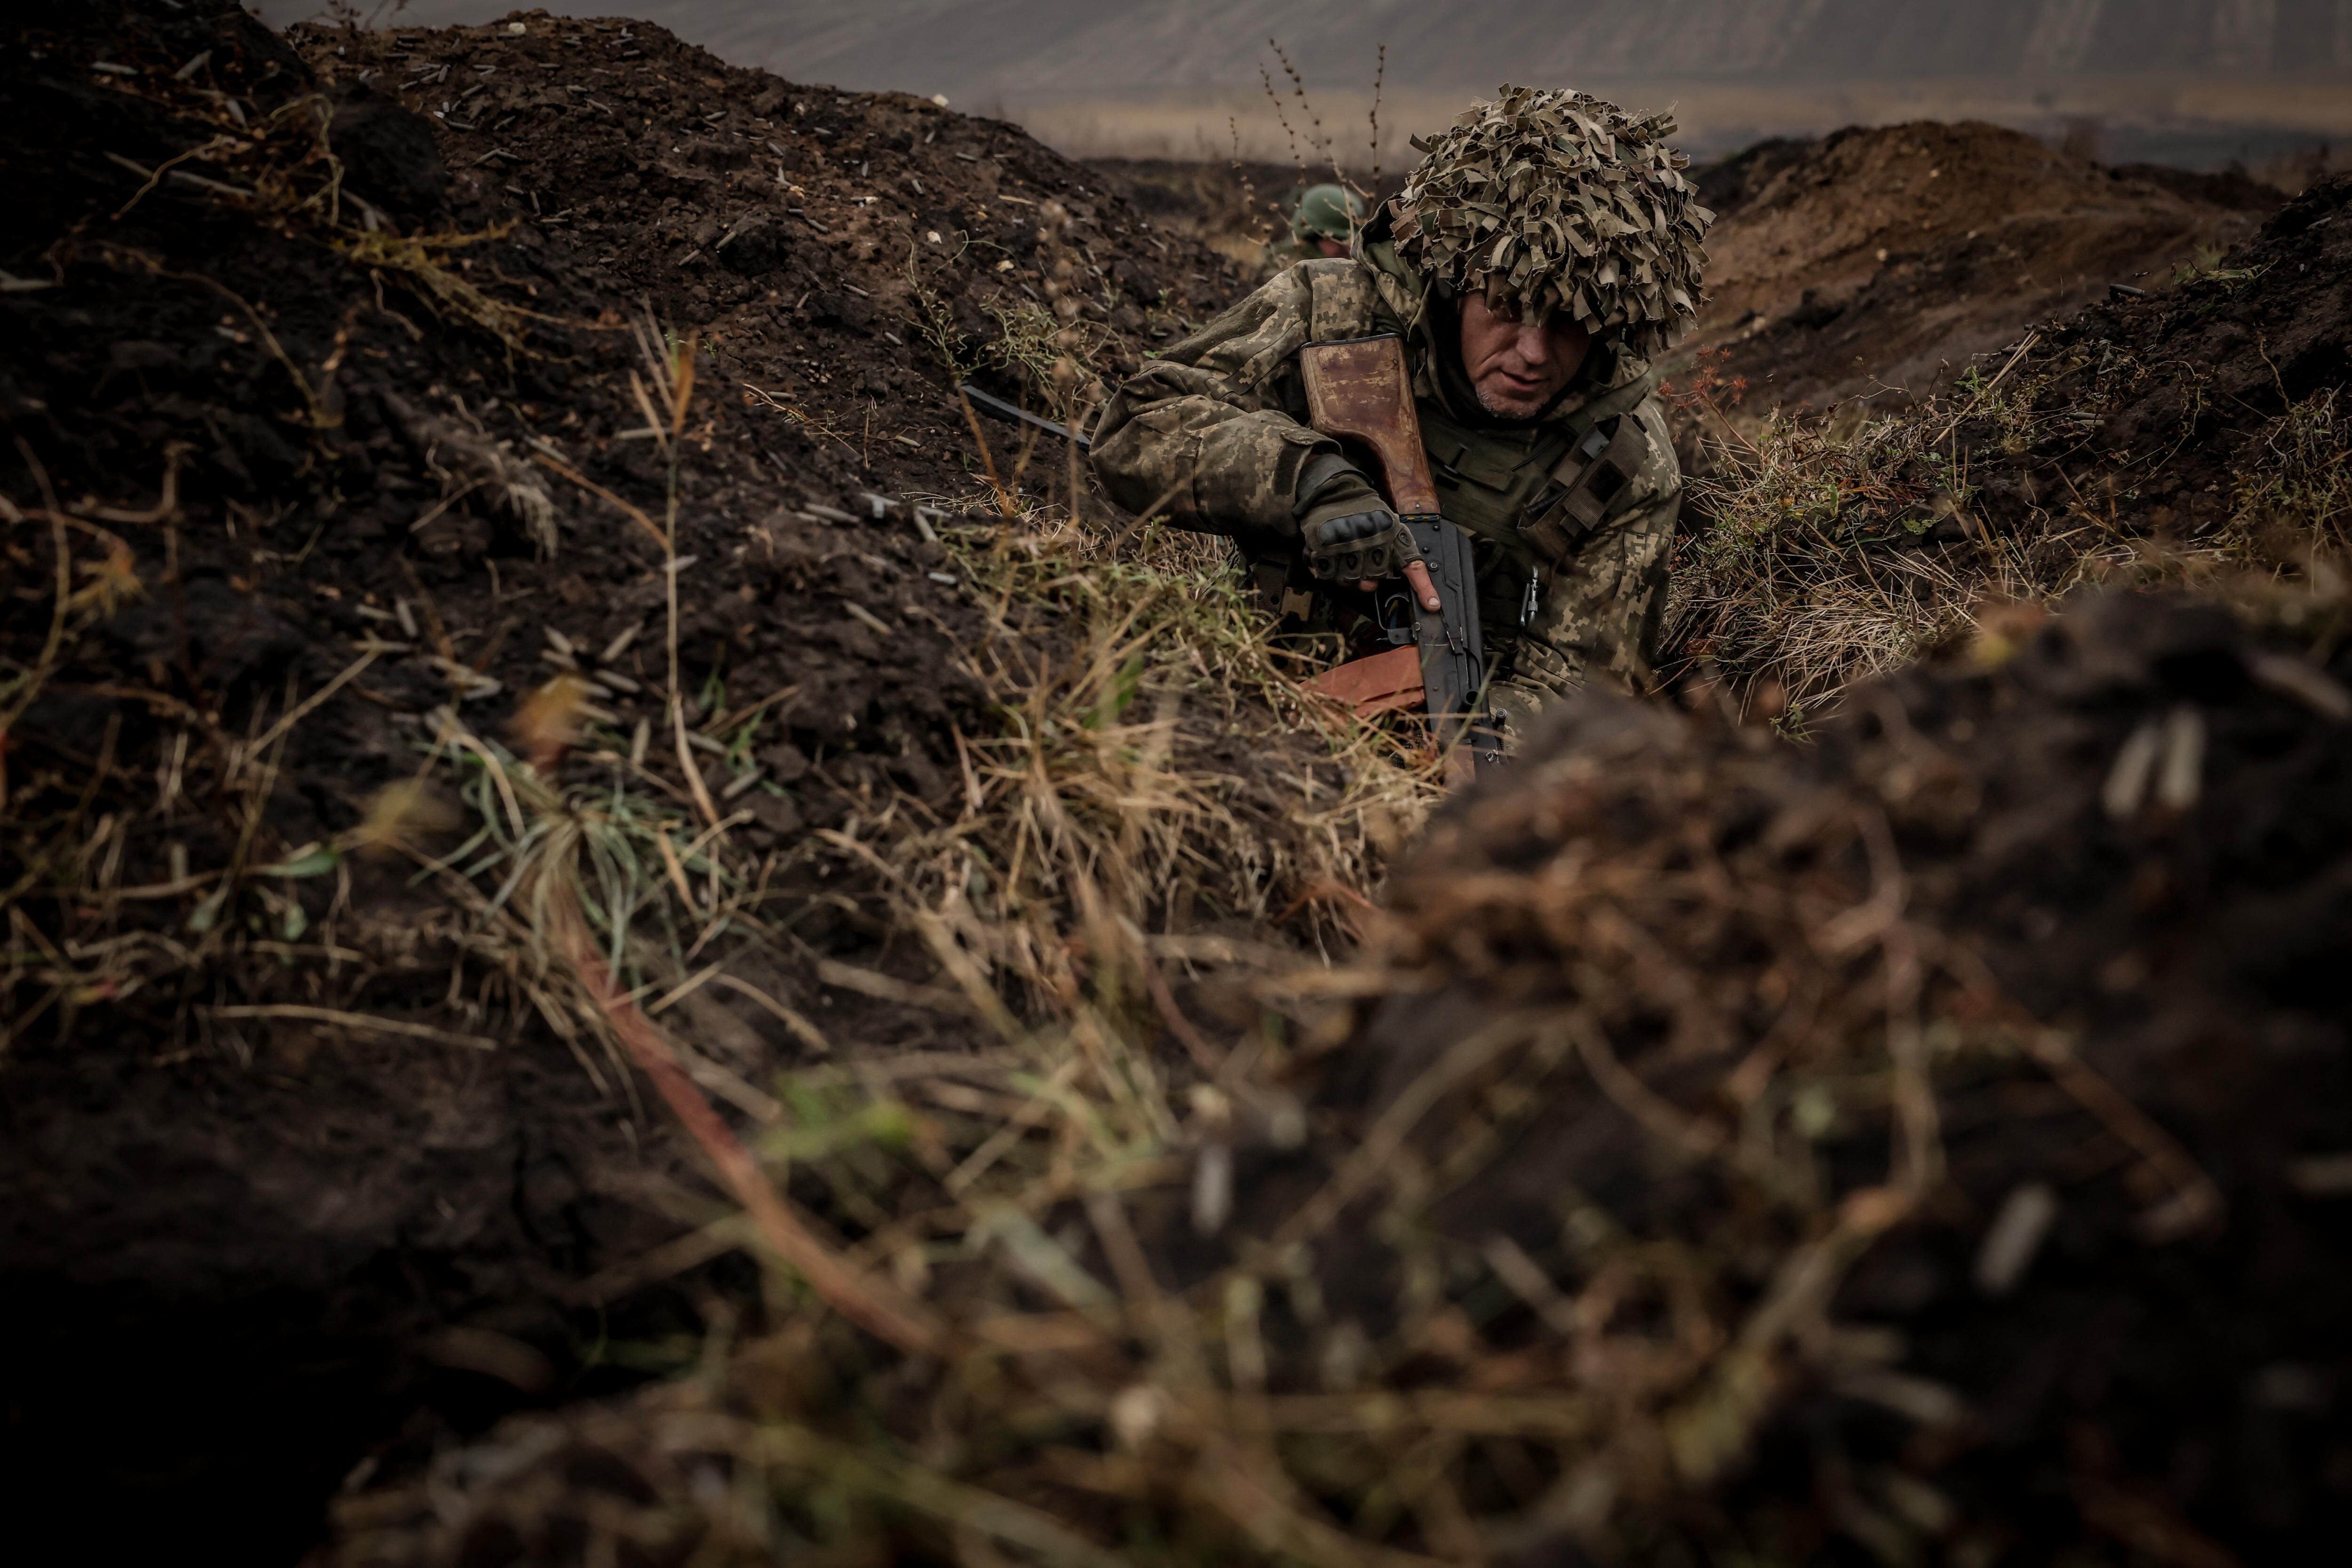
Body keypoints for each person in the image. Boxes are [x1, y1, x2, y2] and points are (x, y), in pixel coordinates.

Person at [1093, 87, 1714, 740]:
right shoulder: (1334, 316)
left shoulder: (1624, 460)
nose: (1533, 353)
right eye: (1506, 305)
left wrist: (1463, 743)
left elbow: (1584, 692)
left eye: (1568, 322)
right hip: (1240, 697)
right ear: (1453, 281)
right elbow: (1140, 425)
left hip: (1456, 744)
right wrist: (1307, 483)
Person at [1267, 182, 1365, 263]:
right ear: (1312, 237)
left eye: (1351, 240)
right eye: (1338, 239)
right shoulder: (1284, 270)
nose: (1347, 247)